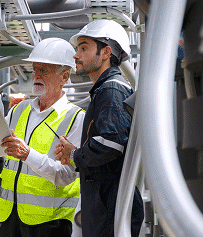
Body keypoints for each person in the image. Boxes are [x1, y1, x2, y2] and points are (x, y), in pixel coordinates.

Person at [0, 38, 85, 237]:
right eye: (35, 69)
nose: (37, 75)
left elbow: (66, 176)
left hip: (50, 223)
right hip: (10, 218)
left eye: (44, 70)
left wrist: (27, 155)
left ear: (64, 77)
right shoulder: (19, 110)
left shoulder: (76, 118)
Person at [54, 20, 144, 237]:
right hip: (105, 202)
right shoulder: (106, 89)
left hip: (109, 203)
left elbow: (110, 144)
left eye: (83, 48)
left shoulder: (111, 90)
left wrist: (74, 155)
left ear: (106, 52)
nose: (76, 55)